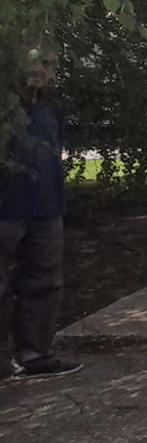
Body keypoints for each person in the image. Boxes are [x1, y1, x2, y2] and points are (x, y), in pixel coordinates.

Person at [0, 46, 82, 380]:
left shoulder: (51, 107)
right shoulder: (6, 105)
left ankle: (35, 355)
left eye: (46, 64)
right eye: (32, 61)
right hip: (4, 208)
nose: (39, 69)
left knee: (46, 282)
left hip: (46, 206)